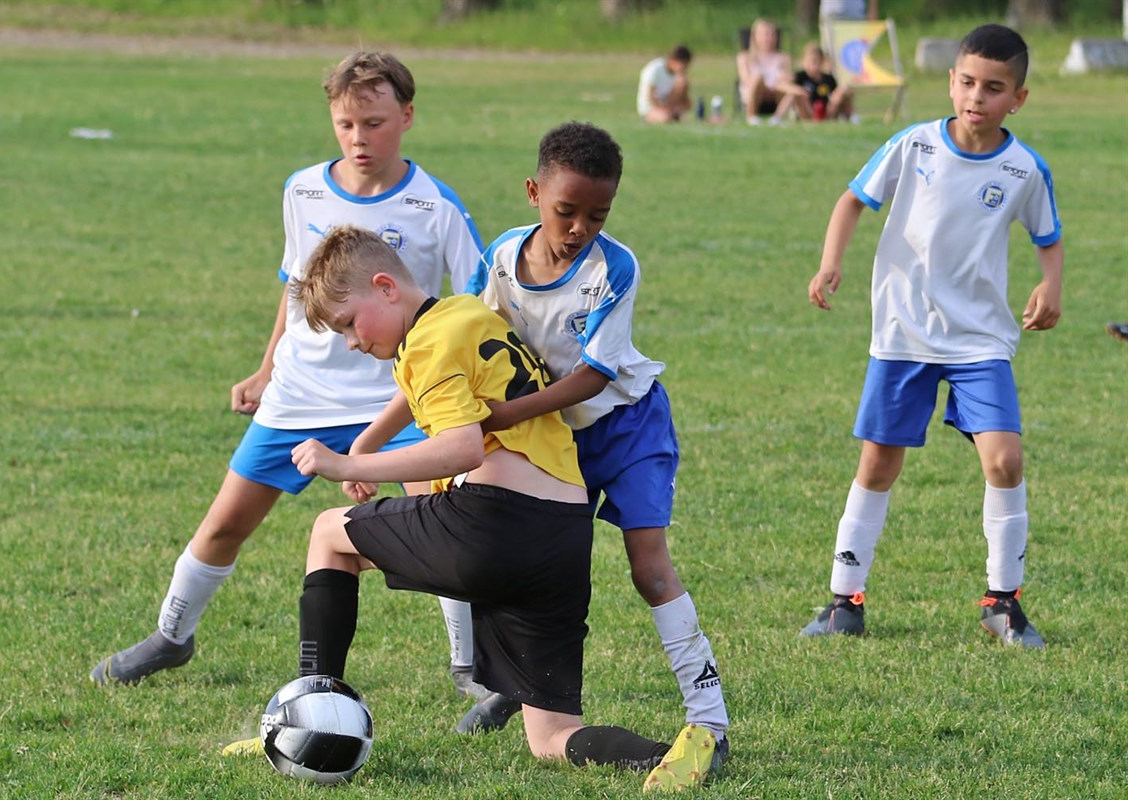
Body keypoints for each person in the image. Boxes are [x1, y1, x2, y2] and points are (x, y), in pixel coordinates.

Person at [238, 224, 711, 787]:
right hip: (561, 536)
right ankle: (671, 752)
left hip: (494, 523)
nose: (351, 342)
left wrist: (346, 464)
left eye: (347, 324)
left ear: (386, 287)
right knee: (551, 738)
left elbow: (460, 446)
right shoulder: (466, 314)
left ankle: (305, 714)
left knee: (327, 533)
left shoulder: (427, 342)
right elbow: (427, 392)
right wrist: (366, 441)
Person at [89, 51, 488, 699]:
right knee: (224, 524)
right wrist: (266, 366)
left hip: (397, 400)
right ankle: (171, 636)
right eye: (346, 124)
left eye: (375, 123)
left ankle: (471, 668)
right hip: (299, 395)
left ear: (408, 117)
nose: (359, 138)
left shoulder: (434, 206)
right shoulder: (302, 190)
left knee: (438, 528)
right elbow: (297, 289)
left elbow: (474, 302)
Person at [465, 121, 730, 791]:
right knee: (533, 569)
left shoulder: (615, 268)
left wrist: (504, 415)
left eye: (598, 214)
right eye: (566, 211)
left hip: (629, 428)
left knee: (649, 569)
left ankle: (711, 720)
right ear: (534, 193)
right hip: (554, 440)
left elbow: (592, 376)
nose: (580, 227)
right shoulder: (500, 258)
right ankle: (518, 688)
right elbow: (466, 332)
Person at [802, 24, 1063, 648]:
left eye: (994, 88)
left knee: (1005, 460)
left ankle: (1003, 603)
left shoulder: (1025, 169)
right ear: (951, 83)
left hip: (979, 338)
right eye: (968, 82)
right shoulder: (913, 144)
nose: (977, 96)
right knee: (878, 463)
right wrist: (831, 261)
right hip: (904, 331)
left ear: (1018, 99)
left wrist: (1050, 285)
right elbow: (852, 201)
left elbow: (1047, 238)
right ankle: (844, 601)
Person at [737, 19, 810, 126]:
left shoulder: (784, 58)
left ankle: (777, 118)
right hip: (755, 96)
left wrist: (782, 83)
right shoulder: (745, 57)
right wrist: (766, 87)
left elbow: (786, 81)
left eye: (773, 35)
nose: (770, 38)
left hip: (777, 96)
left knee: (791, 87)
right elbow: (746, 79)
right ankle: (751, 116)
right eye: (766, 34)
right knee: (758, 78)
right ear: (755, 36)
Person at [795, 42, 857, 123]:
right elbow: (787, 87)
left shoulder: (829, 78)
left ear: (821, 61)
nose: (813, 64)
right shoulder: (801, 77)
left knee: (844, 89)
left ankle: (851, 116)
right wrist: (800, 91)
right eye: (811, 61)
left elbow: (835, 96)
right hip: (809, 112)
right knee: (797, 93)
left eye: (816, 61)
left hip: (827, 111)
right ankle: (779, 118)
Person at [637, 44, 694, 124]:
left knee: (681, 83)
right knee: (666, 118)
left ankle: (671, 114)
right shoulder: (654, 69)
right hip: (650, 108)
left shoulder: (676, 75)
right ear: (675, 61)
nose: (685, 70)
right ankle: (662, 116)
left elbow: (688, 105)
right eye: (684, 66)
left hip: (667, 107)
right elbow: (650, 95)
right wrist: (663, 110)